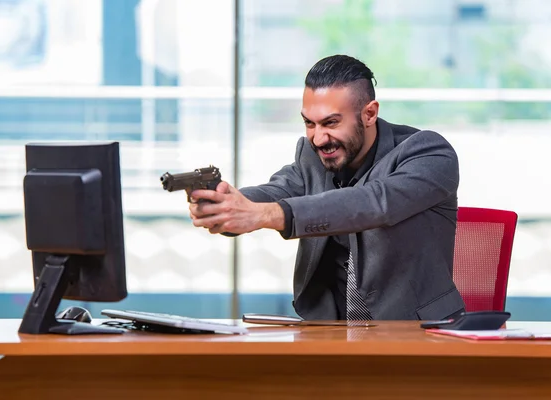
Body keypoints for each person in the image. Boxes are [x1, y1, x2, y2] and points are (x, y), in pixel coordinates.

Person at [188, 54, 466, 321]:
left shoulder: (429, 154)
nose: (318, 138)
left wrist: (265, 215)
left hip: (416, 333)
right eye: (309, 123)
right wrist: (228, 205)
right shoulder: (314, 157)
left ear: (369, 114)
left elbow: (373, 203)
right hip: (327, 330)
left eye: (331, 123)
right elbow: (276, 192)